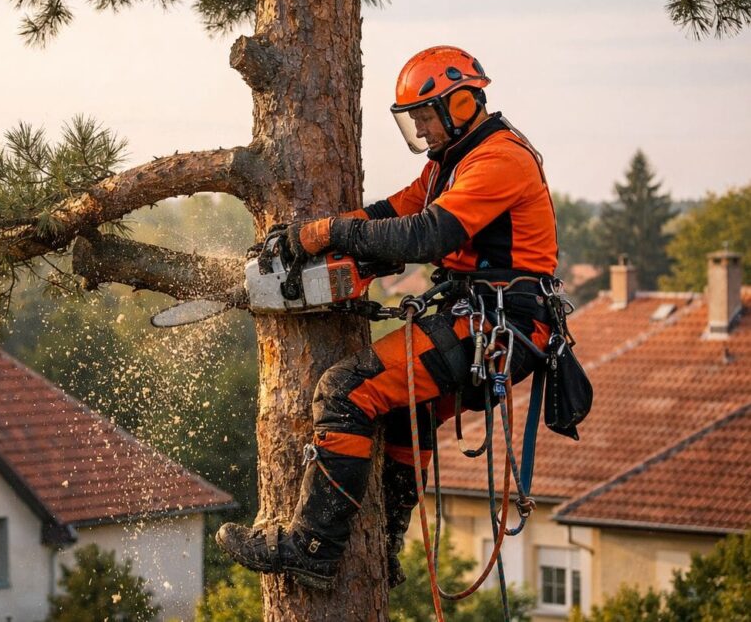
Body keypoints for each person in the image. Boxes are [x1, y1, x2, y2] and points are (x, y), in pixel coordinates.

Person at [216, 45, 559, 590]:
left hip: (499, 328)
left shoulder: (499, 159)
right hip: (483, 322)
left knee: (346, 390)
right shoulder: (451, 164)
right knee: (408, 415)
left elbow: (428, 235)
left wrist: (328, 234)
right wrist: (314, 237)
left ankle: (312, 547)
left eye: (426, 115)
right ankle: (387, 543)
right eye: (415, 119)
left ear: (463, 102)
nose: (421, 130)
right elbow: (391, 213)